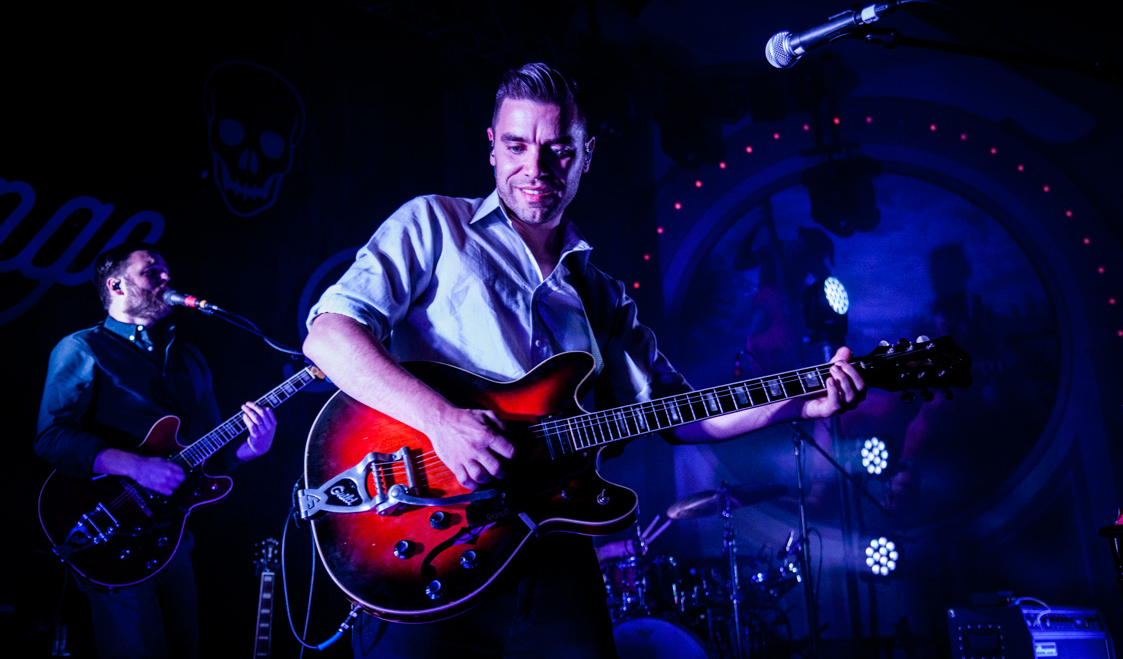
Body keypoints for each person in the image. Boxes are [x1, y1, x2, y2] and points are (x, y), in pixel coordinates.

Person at [302, 63, 866, 657]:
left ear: (587, 154)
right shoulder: (435, 225)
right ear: (492, 146)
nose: (536, 169)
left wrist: (799, 401)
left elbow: (681, 415)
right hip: (430, 541)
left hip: (555, 554)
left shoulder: (600, 293)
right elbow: (329, 336)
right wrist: (442, 421)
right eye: (517, 145)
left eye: (559, 150)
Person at [34, 244, 278, 659]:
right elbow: (51, 436)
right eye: (152, 273)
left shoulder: (189, 358)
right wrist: (135, 466)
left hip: (172, 537)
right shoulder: (83, 348)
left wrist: (250, 450)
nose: (167, 280)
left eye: (166, 272)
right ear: (116, 285)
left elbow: (211, 455)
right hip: (107, 526)